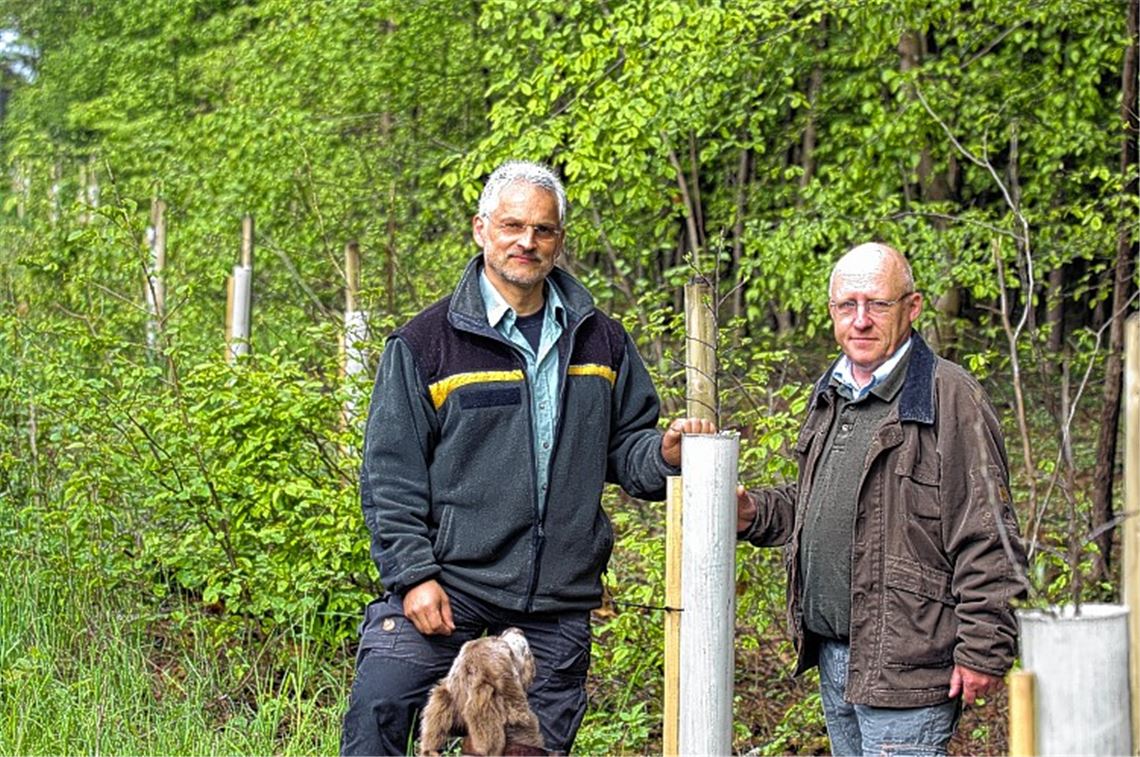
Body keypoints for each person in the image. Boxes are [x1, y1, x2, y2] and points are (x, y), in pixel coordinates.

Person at [341, 160, 714, 756]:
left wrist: (664, 453)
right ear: (481, 229)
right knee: (379, 710)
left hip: (556, 595)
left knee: (527, 750)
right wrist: (413, 576)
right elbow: (391, 475)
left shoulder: (603, 340)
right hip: (450, 582)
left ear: (559, 240)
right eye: (512, 225)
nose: (527, 242)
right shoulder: (424, 343)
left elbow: (628, 451)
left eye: (543, 230)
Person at [735, 242, 1027, 756]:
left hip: (908, 661)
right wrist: (754, 513)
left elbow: (988, 533)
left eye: (878, 304)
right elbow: (819, 503)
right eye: (847, 306)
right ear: (831, 312)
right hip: (836, 656)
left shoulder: (950, 397)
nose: (861, 320)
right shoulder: (833, 390)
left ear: (912, 308)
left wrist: (984, 648)